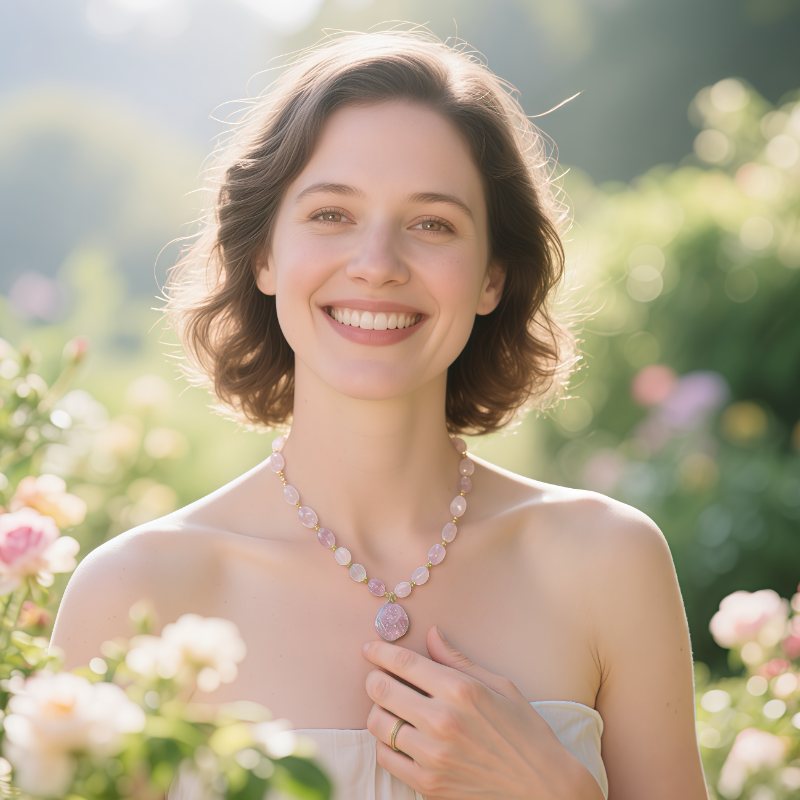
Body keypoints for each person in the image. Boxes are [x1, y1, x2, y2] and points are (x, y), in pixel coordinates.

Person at [51, 30, 708, 799]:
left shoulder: (609, 563)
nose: (377, 263)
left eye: (432, 223)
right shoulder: (132, 597)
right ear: (263, 254)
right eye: (331, 214)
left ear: (493, 276)